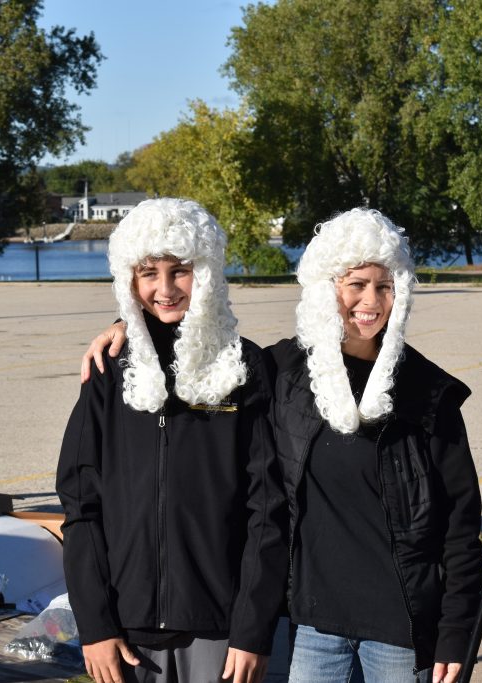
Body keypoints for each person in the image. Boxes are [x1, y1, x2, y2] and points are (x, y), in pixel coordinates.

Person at [81, 208, 482, 683]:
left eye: (384, 285)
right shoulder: (287, 371)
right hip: (314, 627)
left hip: (401, 628)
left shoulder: (427, 394)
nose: (370, 301)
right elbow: (180, 330)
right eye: (354, 284)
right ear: (327, 288)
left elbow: (461, 524)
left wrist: (455, 628)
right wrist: (127, 324)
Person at [57, 198, 287, 683]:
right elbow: (81, 507)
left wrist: (252, 630)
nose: (164, 288)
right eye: (148, 273)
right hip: (126, 629)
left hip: (218, 629)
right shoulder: (108, 369)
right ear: (129, 280)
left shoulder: (244, 369)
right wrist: (95, 625)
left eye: (180, 271)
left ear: (205, 273)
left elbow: (267, 510)